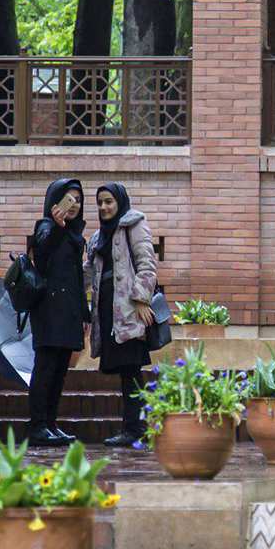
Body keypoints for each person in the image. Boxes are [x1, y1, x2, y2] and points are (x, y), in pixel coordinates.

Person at [84, 184, 157, 447]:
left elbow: (147, 264)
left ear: (120, 202)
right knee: (125, 371)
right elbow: (88, 272)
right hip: (108, 312)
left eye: (109, 201)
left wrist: (141, 299)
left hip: (129, 310)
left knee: (130, 370)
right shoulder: (97, 237)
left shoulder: (133, 224)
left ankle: (135, 429)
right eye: (100, 203)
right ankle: (133, 427)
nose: (104, 207)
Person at [29, 178, 90, 446]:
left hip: (70, 313)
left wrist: (85, 314)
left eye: (78, 200)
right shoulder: (45, 227)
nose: (74, 205)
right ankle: (37, 426)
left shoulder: (76, 235)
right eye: (68, 199)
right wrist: (57, 226)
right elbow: (42, 256)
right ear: (55, 201)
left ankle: (51, 424)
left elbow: (77, 278)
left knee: (60, 371)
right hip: (49, 310)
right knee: (45, 369)